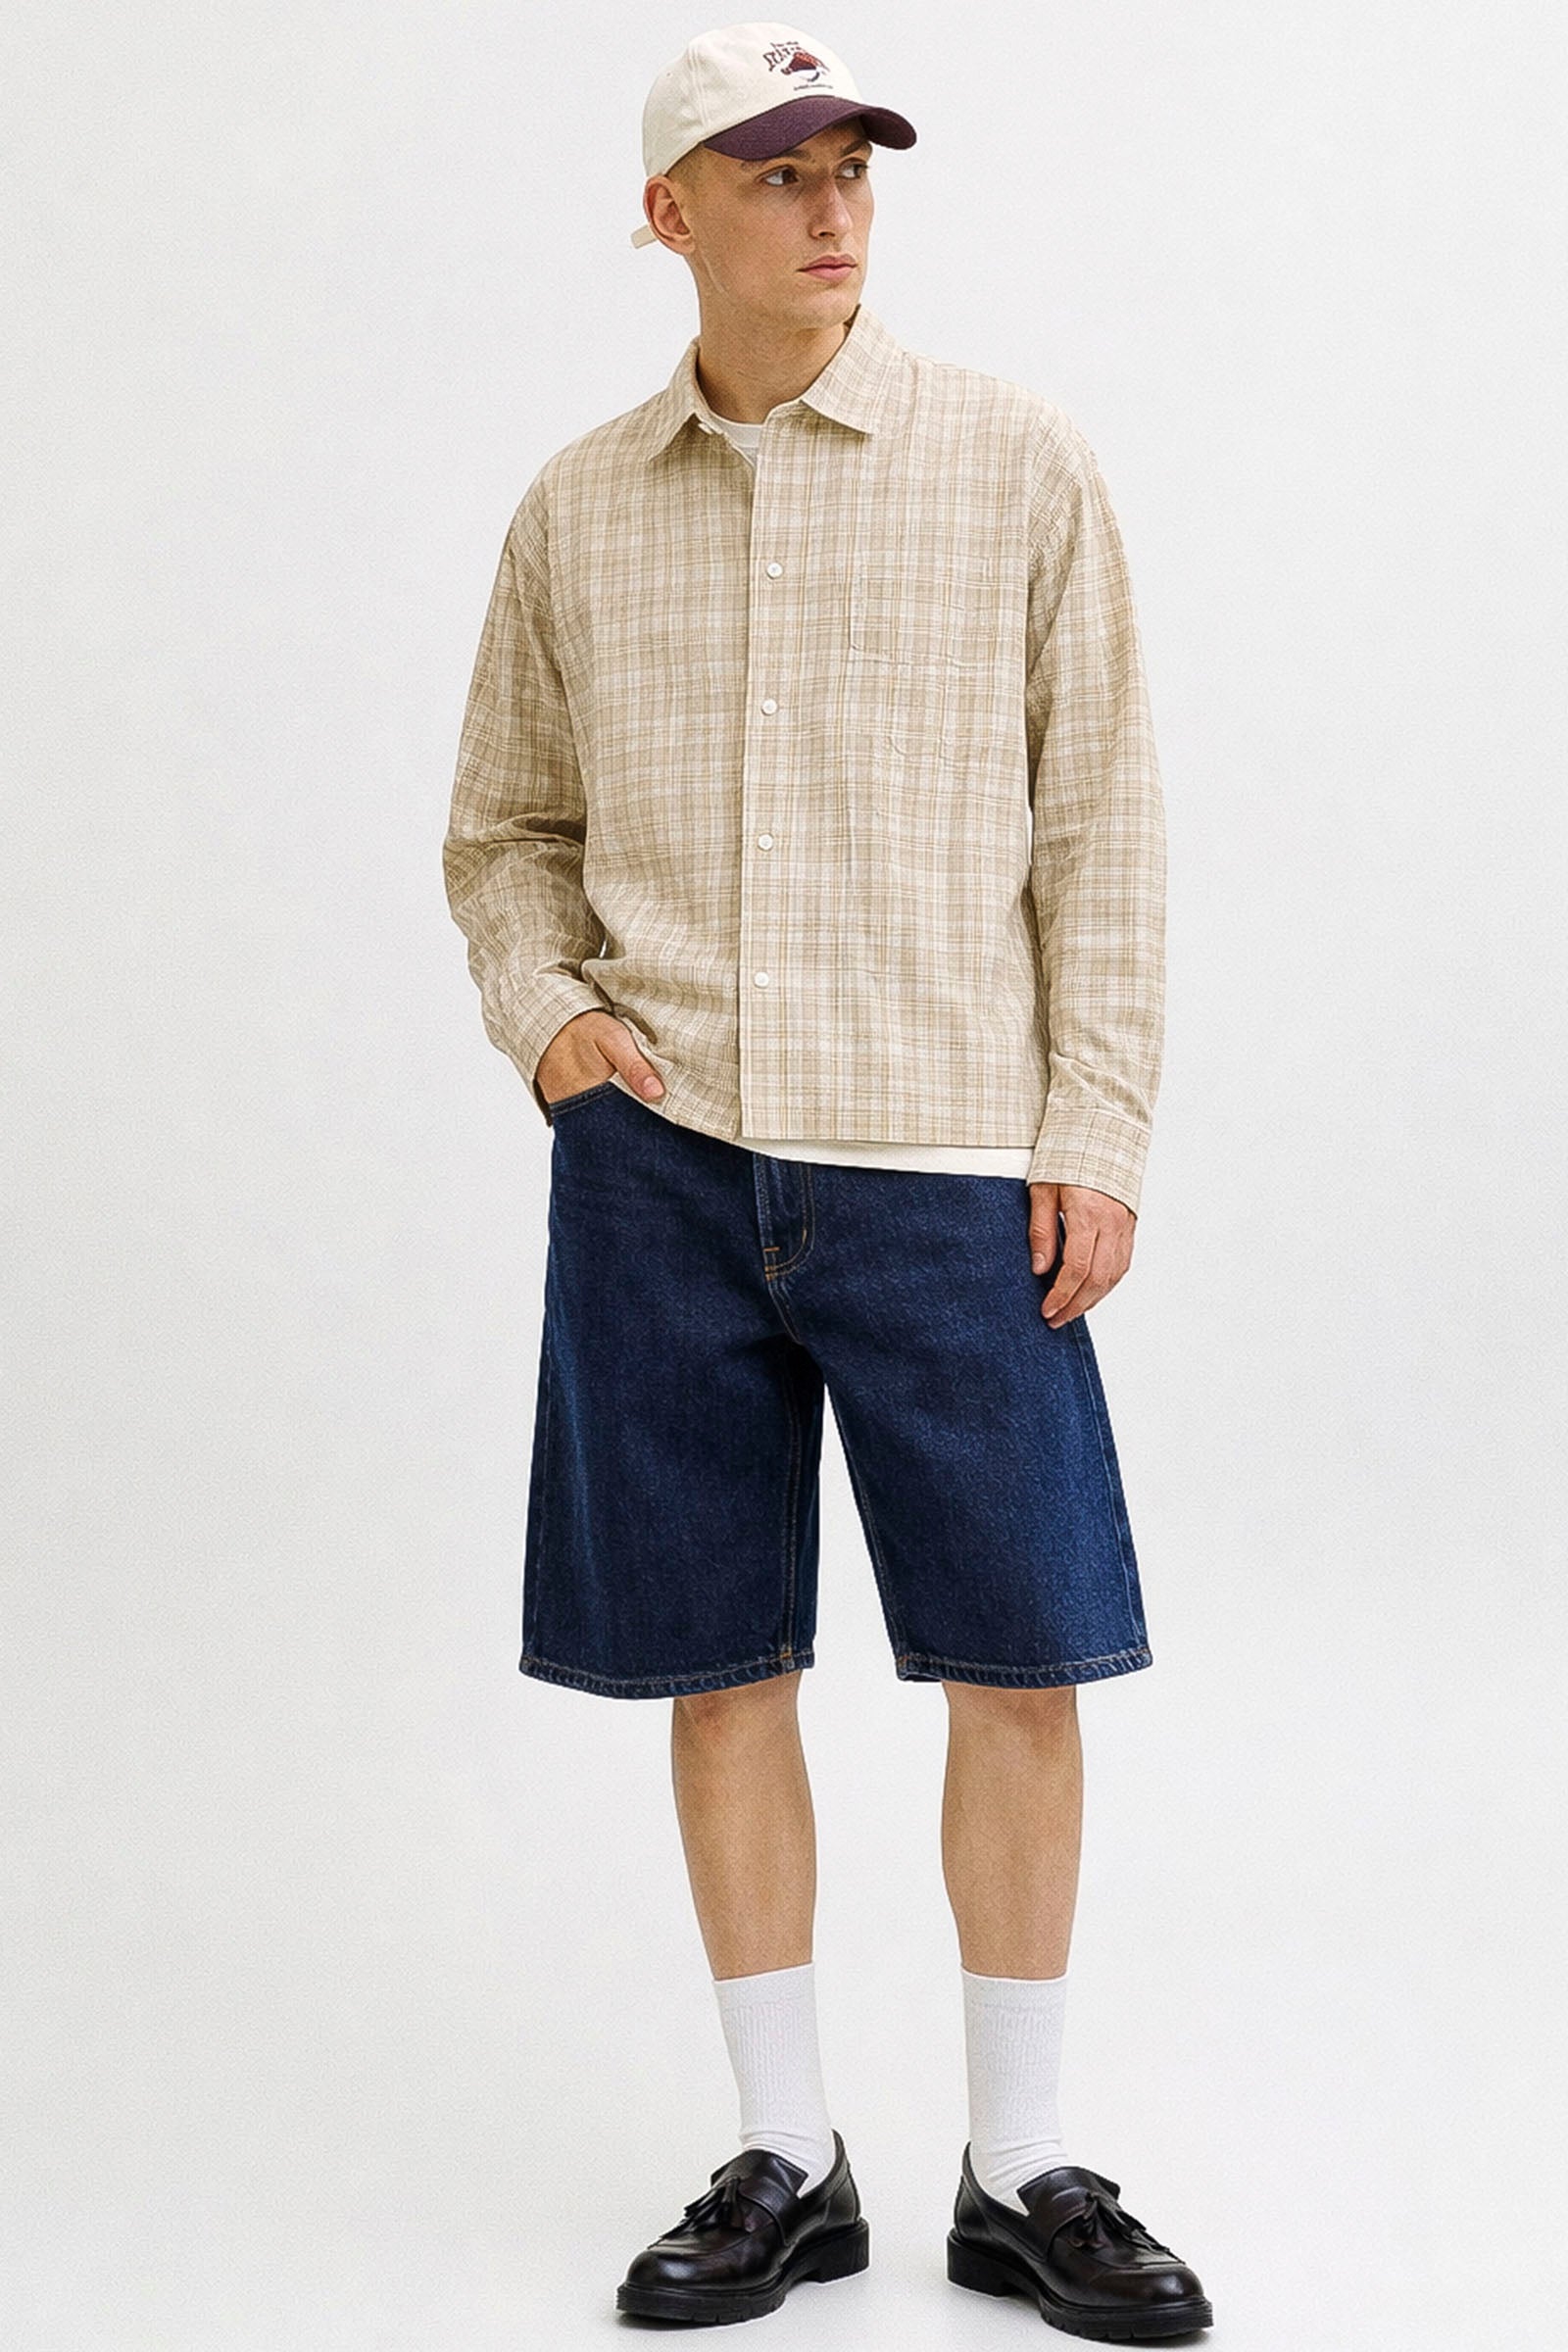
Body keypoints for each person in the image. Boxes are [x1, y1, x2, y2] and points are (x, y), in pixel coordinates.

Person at [442, 19, 1212, 2339]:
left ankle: (1021, 2165)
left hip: (944, 1169)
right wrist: (549, 1023)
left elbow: (1101, 823)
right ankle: (786, 2157)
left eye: (847, 165)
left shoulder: (1012, 464)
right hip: (663, 1166)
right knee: (718, 1663)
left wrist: (1093, 1127)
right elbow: (505, 830)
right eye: (771, 174)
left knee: (1021, 1659)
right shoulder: (576, 508)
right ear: (668, 214)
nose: (828, 206)